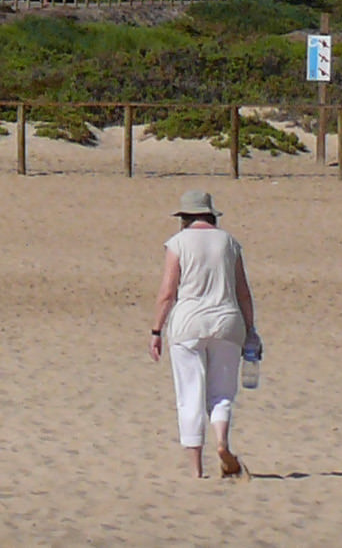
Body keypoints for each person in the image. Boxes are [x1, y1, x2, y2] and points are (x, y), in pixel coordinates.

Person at [148, 188, 260, 482]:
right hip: (228, 321)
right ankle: (222, 443)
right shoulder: (229, 242)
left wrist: (156, 330)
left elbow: (167, 293)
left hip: (188, 323)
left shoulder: (177, 243)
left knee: (190, 395)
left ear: (184, 217)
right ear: (211, 216)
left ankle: (196, 470)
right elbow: (243, 293)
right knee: (222, 394)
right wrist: (251, 330)